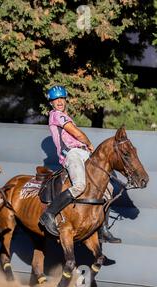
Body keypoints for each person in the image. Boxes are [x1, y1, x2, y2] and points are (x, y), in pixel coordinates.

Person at [39, 85, 121, 243]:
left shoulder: (66, 115)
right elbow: (75, 133)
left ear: (65, 99)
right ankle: (49, 213)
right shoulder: (56, 115)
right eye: (55, 99)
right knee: (79, 186)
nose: (59, 101)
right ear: (51, 103)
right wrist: (89, 143)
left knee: (108, 188)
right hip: (72, 154)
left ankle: (103, 229)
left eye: (61, 98)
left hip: (83, 153)